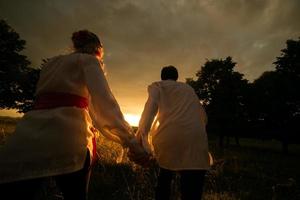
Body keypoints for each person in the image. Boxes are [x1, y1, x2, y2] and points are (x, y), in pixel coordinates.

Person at [0, 30, 148, 199]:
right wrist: (131, 142)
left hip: (30, 133)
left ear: (75, 45)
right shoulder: (89, 61)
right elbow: (105, 104)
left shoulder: (51, 64)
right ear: (98, 49)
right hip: (69, 135)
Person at [136, 66, 210, 200]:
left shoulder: (158, 86)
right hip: (195, 136)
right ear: (176, 77)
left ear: (162, 77)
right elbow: (203, 116)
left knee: (165, 174)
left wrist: (142, 135)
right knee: (192, 180)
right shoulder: (189, 89)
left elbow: (150, 110)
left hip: (170, 136)